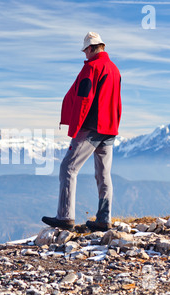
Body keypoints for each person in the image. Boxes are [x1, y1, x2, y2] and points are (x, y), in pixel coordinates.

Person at [42, 32, 122, 232]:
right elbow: (117, 101)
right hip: (110, 128)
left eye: (85, 49)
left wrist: (76, 127)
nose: (84, 54)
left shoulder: (91, 68)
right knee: (104, 175)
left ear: (92, 48)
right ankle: (104, 219)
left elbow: (83, 99)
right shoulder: (114, 69)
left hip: (91, 127)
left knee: (68, 168)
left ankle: (65, 216)